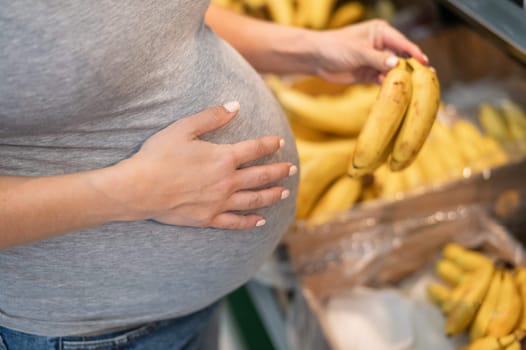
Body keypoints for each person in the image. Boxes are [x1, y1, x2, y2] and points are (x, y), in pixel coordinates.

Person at [0, 1, 427, 349]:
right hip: (88, 330)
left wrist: (304, 49)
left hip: (185, 305)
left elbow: (149, 24)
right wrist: (131, 193)